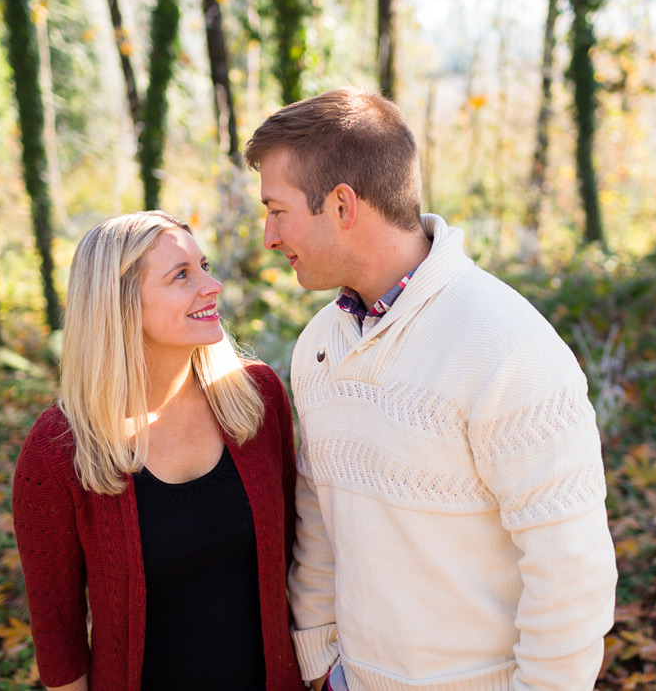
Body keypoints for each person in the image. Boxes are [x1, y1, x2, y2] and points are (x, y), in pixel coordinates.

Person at [244, 88, 617, 691]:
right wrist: (318, 661)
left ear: (342, 205)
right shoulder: (319, 345)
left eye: (277, 210)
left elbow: (571, 572)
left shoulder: (505, 345)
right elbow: (317, 516)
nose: (268, 236)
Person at [11, 211, 301, 691]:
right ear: (120, 304)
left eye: (203, 266)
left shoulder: (257, 398)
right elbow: (59, 645)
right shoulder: (58, 450)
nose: (213, 286)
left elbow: (300, 554)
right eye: (182, 275)